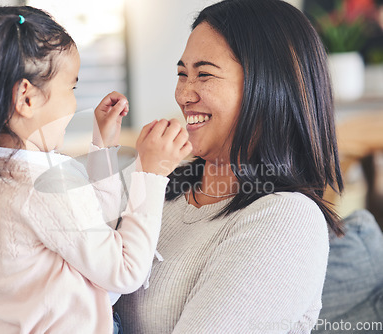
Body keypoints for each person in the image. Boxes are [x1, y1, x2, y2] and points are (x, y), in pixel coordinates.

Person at [0, 6, 192, 334]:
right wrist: (152, 172)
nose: (75, 103)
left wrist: (104, 146)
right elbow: (125, 271)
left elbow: (94, 226)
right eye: (71, 88)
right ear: (27, 99)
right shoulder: (42, 186)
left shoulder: (4, 173)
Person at [115, 0, 345, 332]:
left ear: (268, 85)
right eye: (182, 74)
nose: (183, 94)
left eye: (203, 75)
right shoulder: (155, 183)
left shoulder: (287, 219)